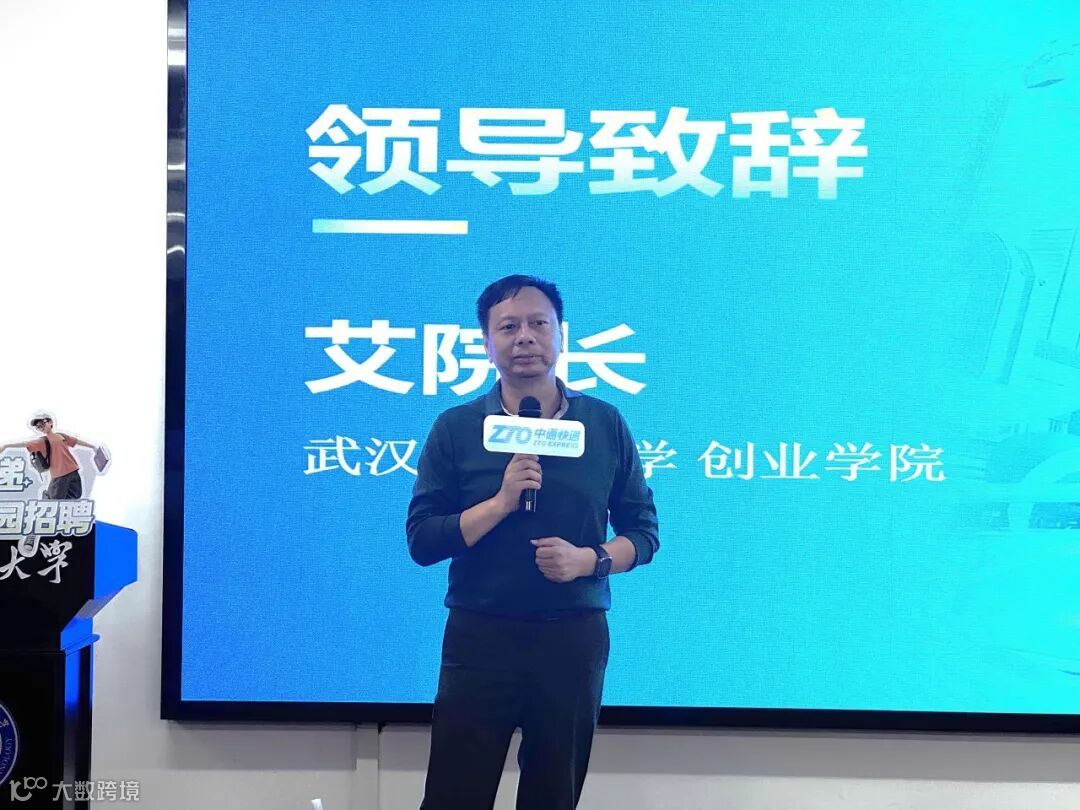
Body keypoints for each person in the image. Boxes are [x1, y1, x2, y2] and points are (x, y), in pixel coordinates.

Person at [406, 275, 659, 810]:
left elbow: (643, 532)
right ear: (486, 343)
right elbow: (423, 540)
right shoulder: (457, 427)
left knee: (553, 795)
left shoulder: (603, 424)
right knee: (454, 795)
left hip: (572, 639)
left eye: (538, 324)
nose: (525, 337)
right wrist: (499, 503)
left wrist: (589, 561)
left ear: (560, 336)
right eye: (508, 327)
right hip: (481, 635)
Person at [0, 411, 96, 499]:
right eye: (38, 426)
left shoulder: (61, 435)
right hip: (59, 474)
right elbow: (25, 444)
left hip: (73, 470)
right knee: (54, 500)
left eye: (42, 423)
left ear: (50, 422)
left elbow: (76, 441)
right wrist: (6, 446)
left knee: (75, 495)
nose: (40, 427)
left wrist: (92, 447)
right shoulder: (42, 441)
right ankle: (47, 497)